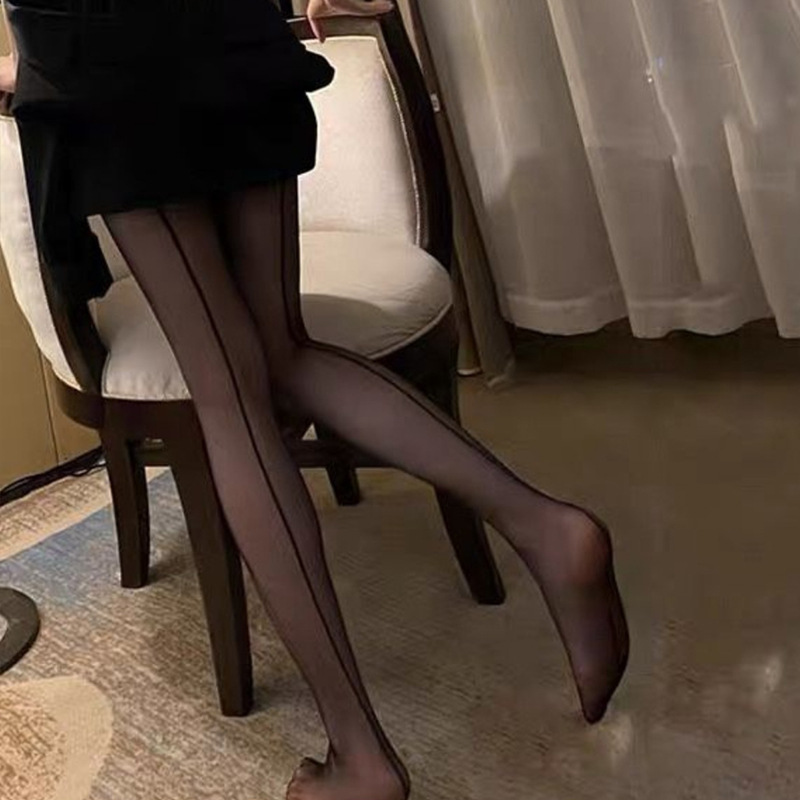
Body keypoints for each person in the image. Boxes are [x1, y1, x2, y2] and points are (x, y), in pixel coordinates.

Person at [0, 2, 629, 798]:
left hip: (102, 53)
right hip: (227, 30)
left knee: (228, 393)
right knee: (279, 353)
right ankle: (547, 527)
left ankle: (362, 756)